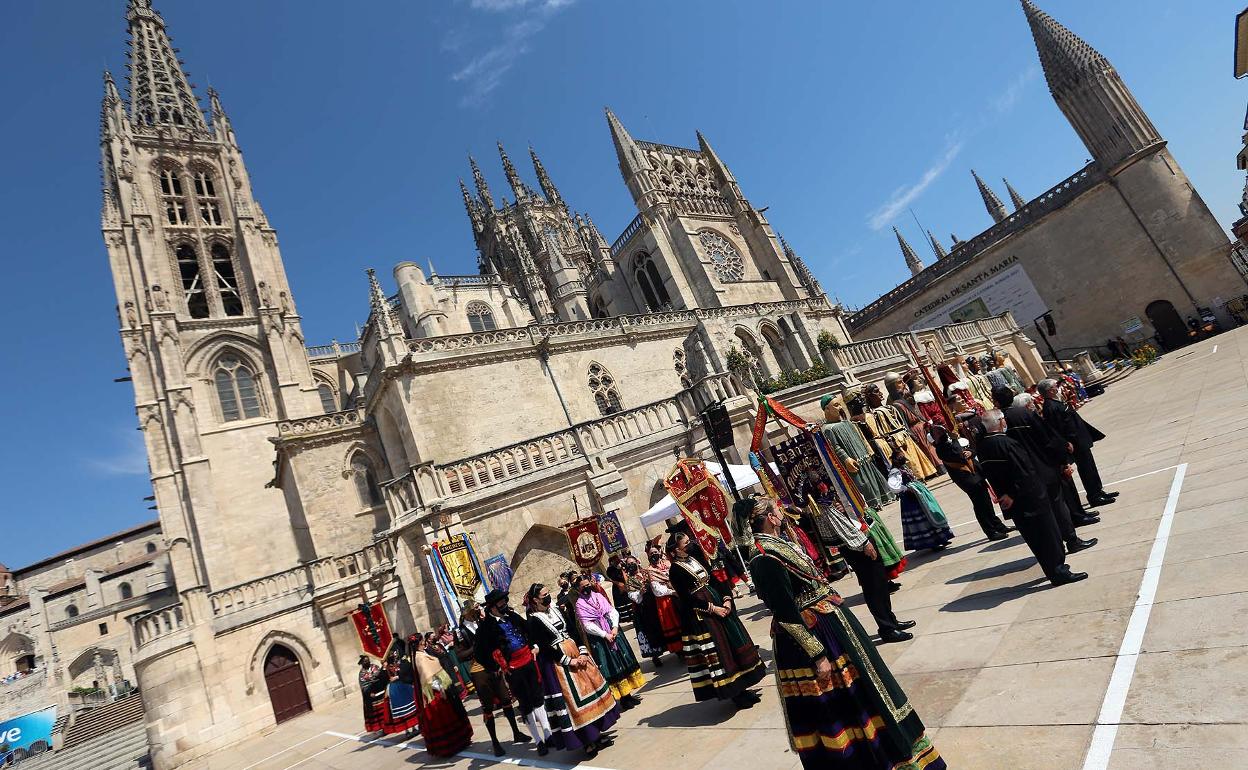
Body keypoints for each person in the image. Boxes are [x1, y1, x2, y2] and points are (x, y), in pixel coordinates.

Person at [748, 499, 945, 769]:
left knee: (868, 690)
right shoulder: (763, 556)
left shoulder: (778, 543)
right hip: (816, 636)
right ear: (770, 517)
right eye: (778, 511)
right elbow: (785, 613)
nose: (783, 513)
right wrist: (817, 654)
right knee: (844, 705)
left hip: (831, 623)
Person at [977, 410, 1088, 586]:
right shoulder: (1008, 444)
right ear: (999, 422)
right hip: (1031, 498)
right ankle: (1058, 572)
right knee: (1049, 536)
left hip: (1011, 503)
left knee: (1034, 539)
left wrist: (1005, 495)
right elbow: (1024, 472)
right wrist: (1013, 493)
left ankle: (1052, 569)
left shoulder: (982, 447)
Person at [993, 386, 1099, 554]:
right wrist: (1063, 460)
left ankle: (1056, 548)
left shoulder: (997, 423)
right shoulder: (1025, 414)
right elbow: (1048, 438)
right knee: (1058, 507)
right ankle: (1072, 541)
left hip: (1023, 476)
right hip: (1044, 469)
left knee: (1045, 515)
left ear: (995, 401)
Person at [666, 532, 766, 708]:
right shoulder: (675, 570)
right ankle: (736, 693)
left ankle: (745, 685)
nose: (690, 545)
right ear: (675, 550)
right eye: (686, 543)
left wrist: (726, 597)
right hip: (703, 613)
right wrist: (713, 609)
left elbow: (713, 579)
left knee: (735, 642)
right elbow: (687, 599)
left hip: (718, 601)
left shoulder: (695, 558)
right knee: (722, 650)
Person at [523, 584, 620, 758]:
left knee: (591, 691)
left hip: (576, 652)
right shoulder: (534, 620)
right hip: (558, 663)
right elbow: (545, 647)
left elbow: (573, 630)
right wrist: (569, 660)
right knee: (572, 702)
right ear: (536, 599)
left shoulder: (556, 611)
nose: (548, 597)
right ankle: (586, 741)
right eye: (544, 595)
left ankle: (596, 733)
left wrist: (582, 651)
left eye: (547, 593)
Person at [474, 589, 553, 756]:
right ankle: (538, 741)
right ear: (492, 606)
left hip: (529, 661)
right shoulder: (485, 627)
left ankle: (548, 735)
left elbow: (528, 629)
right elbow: (480, 653)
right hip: (513, 669)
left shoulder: (511, 615)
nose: (505, 603)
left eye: (505, 600)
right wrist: (496, 665)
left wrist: (534, 645)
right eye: (501, 602)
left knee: (538, 698)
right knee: (526, 704)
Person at [455, 600, 530, 756]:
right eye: (475, 608)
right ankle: (495, 742)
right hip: (479, 668)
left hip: (494, 664)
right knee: (488, 706)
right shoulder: (460, 632)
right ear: (468, 612)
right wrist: (476, 646)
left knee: (506, 699)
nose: (479, 609)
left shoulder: (484, 623)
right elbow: (460, 655)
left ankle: (516, 732)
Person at [1037, 379, 1119, 508]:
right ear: (1049, 390)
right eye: (1055, 386)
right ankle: (1094, 496)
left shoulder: (1055, 402)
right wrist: (1066, 443)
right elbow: (1056, 429)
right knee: (1086, 469)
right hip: (1075, 443)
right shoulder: (1050, 406)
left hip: (1080, 439)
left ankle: (1098, 490)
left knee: (1090, 467)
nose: (1057, 388)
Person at [574, 573, 645, 708]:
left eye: (588, 585)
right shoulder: (580, 604)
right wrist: (604, 635)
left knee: (623, 660)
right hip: (600, 639)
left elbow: (612, 611)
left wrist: (614, 628)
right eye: (583, 587)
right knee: (612, 666)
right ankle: (623, 698)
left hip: (613, 632)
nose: (587, 588)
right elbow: (587, 625)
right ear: (579, 589)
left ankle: (628, 694)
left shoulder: (598, 596)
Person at [931, 424, 1010, 540]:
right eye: (939, 432)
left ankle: (998, 526)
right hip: (968, 480)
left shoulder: (951, 443)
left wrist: (970, 453)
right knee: (980, 506)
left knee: (987, 504)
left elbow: (970, 450)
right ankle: (990, 531)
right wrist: (954, 440)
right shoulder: (941, 448)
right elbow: (959, 456)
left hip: (976, 475)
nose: (943, 433)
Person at [820, 394, 893, 510]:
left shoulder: (847, 423)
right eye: (836, 405)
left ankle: (880, 500)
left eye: (840, 405)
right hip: (853, 462)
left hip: (864, 458)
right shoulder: (828, 429)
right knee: (864, 484)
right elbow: (835, 447)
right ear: (827, 409)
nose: (840, 408)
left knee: (873, 481)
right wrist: (846, 458)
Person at [410, 634, 473, 757]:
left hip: (439, 687)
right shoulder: (420, 658)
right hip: (436, 692)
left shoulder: (420, 655)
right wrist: (441, 689)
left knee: (449, 715)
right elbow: (428, 677)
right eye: (422, 641)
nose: (424, 643)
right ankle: (451, 745)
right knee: (444, 717)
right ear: (419, 643)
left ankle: (457, 741)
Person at [890, 450, 955, 552]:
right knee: (922, 519)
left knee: (930, 514)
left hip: (918, 496)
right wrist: (906, 488)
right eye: (900, 457)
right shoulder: (894, 472)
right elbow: (893, 487)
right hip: (910, 500)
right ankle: (932, 543)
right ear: (894, 460)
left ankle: (942, 538)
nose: (903, 459)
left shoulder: (903, 468)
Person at [642, 545, 683, 658]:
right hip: (665, 600)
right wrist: (672, 591)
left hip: (678, 595)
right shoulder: (650, 570)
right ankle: (679, 650)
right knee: (673, 623)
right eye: (651, 554)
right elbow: (657, 590)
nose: (654, 555)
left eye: (655, 552)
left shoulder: (668, 563)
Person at [382, 646, 420, 736]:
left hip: (403, 684)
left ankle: (414, 727)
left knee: (411, 707)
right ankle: (406, 730)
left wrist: (398, 676)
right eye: (390, 655)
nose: (392, 656)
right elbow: (383, 679)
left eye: (392, 654)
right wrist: (384, 669)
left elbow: (406, 670)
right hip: (394, 689)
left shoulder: (400, 662)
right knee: (401, 711)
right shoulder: (386, 667)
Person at [358, 655, 388, 734]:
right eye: (365, 661)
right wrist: (369, 692)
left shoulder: (375, 667)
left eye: (368, 660)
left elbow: (380, 675)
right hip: (371, 695)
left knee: (384, 709)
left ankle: (387, 725)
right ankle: (379, 728)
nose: (367, 662)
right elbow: (364, 686)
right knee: (377, 713)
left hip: (380, 691)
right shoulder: (362, 673)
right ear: (362, 663)